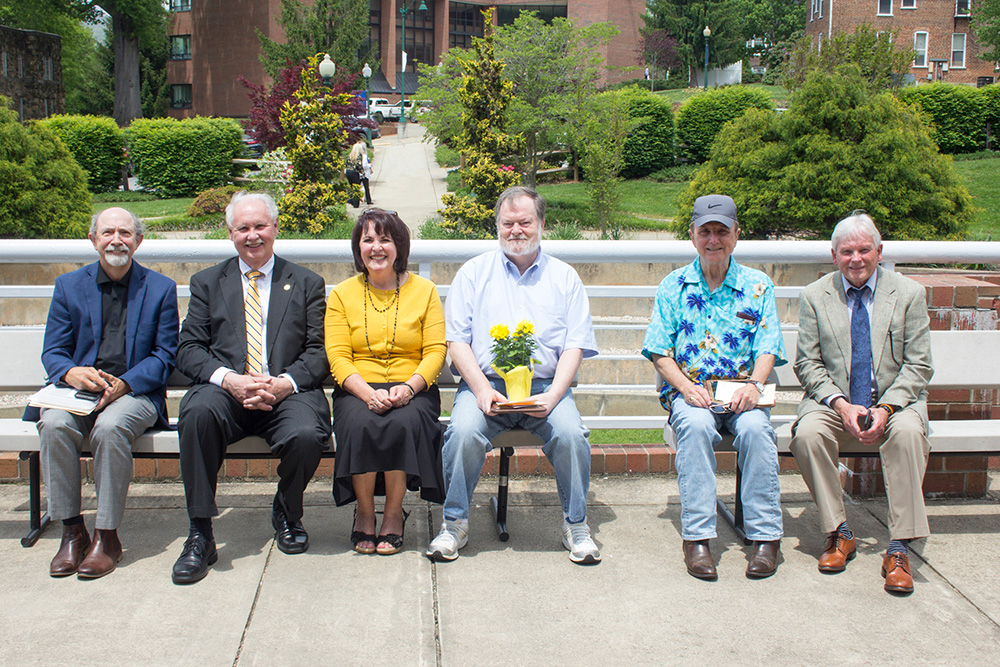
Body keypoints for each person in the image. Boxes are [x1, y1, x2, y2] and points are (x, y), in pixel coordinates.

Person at [426, 185, 602, 566]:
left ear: (541, 224)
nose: (516, 230)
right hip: (485, 385)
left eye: (525, 222)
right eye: (508, 223)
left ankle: (576, 524)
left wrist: (555, 395)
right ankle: (454, 523)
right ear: (497, 226)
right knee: (461, 434)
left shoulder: (565, 277)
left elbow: (575, 344)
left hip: (545, 387)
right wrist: (481, 389)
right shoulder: (473, 273)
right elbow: (457, 341)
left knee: (572, 435)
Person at [171, 191, 332, 585]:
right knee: (196, 414)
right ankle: (200, 533)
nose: (253, 235)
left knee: (308, 434)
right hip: (228, 390)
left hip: (286, 390)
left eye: (260, 225)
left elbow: (320, 350)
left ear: (276, 228)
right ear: (230, 233)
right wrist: (230, 379)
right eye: (243, 228)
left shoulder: (308, 282)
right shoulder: (208, 283)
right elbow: (188, 349)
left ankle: (287, 512)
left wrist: (283, 383)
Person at [642, 194, 787, 580]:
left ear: (736, 235)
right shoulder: (673, 286)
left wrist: (755, 385)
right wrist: (687, 388)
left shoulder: (758, 286)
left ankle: (765, 538)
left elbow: (768, 346)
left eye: (721, 231)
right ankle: (698, 539)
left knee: (757, 431)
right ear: (692, 236)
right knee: (696, 426)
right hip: (693, 392)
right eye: (705, 231)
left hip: (743, 392)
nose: (713, 239)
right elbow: (659, 352)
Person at [29, 207, 178, 579]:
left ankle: (107, 536)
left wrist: (124, 383)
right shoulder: (68, 286)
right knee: (53, 424)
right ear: (94, 239)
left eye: (125, 233)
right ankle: (72, 531)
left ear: (138, 241)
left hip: (134, 393)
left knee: (110, 428)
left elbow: (165, 355)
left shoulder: (159, 288)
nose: (117, 240)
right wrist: (71, 372)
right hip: (77, 393)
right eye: (108, 232)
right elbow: (53, 352)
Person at [789, 211, 933, 595]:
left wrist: (885, 409)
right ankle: (840, 532)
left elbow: (919, 365)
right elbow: (807, 363)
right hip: (836, 404)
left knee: (905, 435)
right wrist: (840, 404)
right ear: (833, 254)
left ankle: (900, 547)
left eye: (864, 250)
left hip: (895, 404)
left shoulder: (908, 294)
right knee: (807, 434)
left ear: (879, 251)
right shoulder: (815, 296)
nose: (856, 258)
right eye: (847, 251)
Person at [325, 209, 446, 555]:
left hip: (413, 388)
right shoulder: (342, 295)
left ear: (399, 247)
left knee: (404, 422)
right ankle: (364, 512)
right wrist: (365, 392)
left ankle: (393, 513)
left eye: (384, 239)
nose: (376, 248)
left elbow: (435, 350)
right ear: (358, 248)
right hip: (357, 388)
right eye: (368, 240)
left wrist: (409, 387)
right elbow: (337, 356)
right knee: (360, 422)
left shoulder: (425, 291)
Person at [347, 141, 373, 206]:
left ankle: (352, 200)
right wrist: (363, 173)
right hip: (354, 172)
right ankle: (355, 203)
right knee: (357, 188)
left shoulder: (350, 155)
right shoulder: (359, 155)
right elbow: (359, 165)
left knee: (352, 187)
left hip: (348, 172)